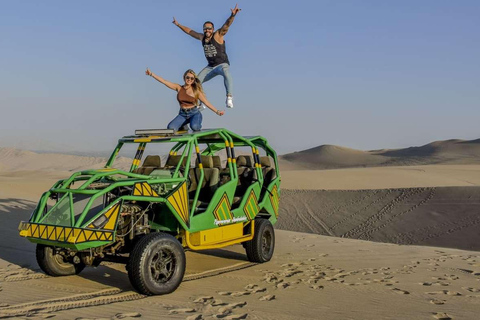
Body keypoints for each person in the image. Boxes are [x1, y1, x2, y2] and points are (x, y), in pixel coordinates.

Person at [172, 4, 241, 109]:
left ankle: (229, 97)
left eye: (209, 29)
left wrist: (232, 16)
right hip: (210, 67)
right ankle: (201, 102)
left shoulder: (218, 35)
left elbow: (226, 25)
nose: (207, 30)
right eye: (205, 29)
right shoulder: (202, 37)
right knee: (195, 81)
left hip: (222, 65)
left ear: (212, 29)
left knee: (227, 73)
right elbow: (190, 32)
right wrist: (178, 25)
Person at [145, 68, 224, 132]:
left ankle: (196, 122)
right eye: (188, 77)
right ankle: (184, 126)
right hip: (182, 114)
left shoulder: (196, 91)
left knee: (195, 127)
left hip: (194, 113)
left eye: (192, 78)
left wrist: (217, 111)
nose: (189, 79)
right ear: (184, 77)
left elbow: (206, 102)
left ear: (193, 80)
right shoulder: (179, 88)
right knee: (170, 128)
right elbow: (164, 82)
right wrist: (152, 74)